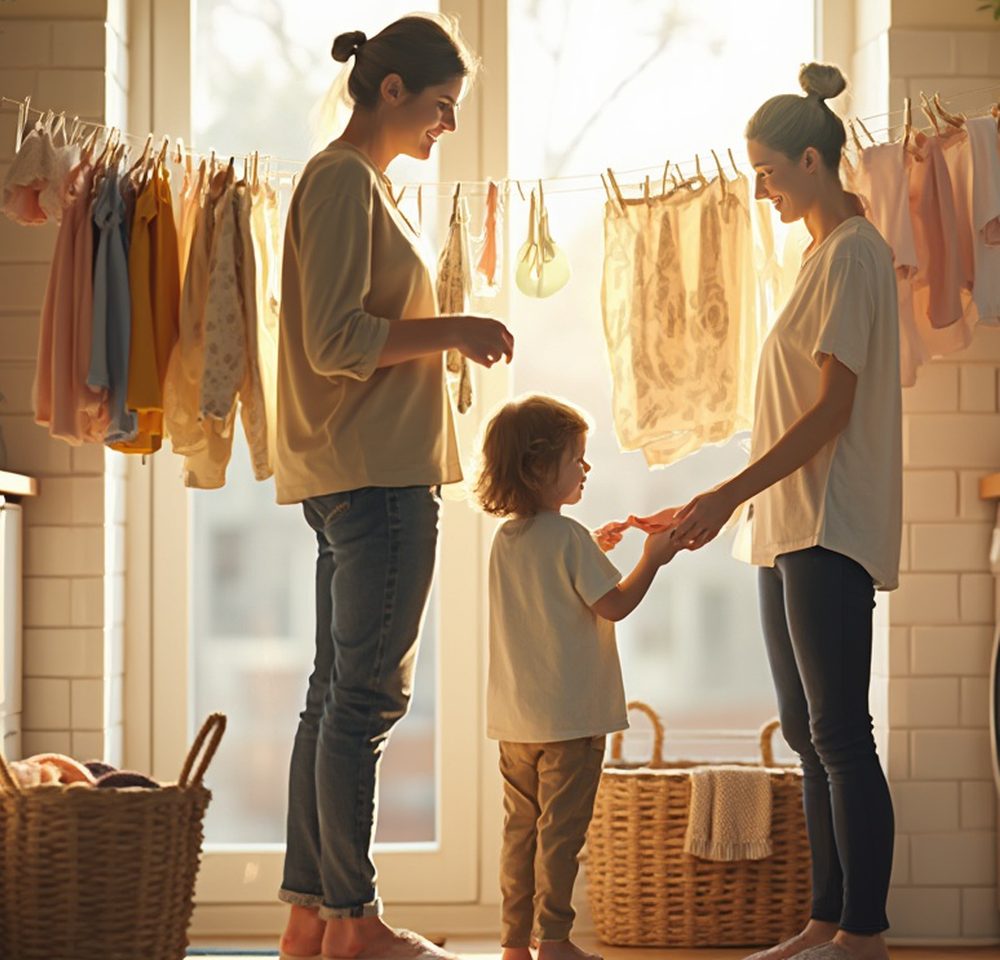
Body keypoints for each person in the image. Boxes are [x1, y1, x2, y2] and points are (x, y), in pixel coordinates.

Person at [274, 15, 515, 960]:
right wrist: (454, 329)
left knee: (335, 695)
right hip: (375, 475)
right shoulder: (343, 183)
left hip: (356, 471)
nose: (447, 126)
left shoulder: (359, 186)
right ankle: (353, 923)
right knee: (363, 703)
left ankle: (311, 916)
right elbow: (336, 343)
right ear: (391, 91)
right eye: (442, 107)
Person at [671, 63, 899, 960]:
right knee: (809, 735)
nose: (759, 187)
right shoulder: (817, 255)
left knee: (841, 732)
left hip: (828, 523)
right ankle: (824, 920)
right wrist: (736, 502)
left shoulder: (853, 251)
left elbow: (832, 410)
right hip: (788, 526)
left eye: (768, 171)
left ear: (813, 160)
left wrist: (729, 494)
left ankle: (866, 934)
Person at [473, 394, 680, 960]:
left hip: (517, 723)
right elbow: (612, 605)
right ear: (539, 468)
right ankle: (557, 941)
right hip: (571, 723)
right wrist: (652, 559)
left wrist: (594, 545)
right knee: (561, 838)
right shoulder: (567, 538)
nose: (586, 468)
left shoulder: (508, 540)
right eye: (576, 458)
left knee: (521, 837)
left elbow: (550, 588)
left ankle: (515, 945)